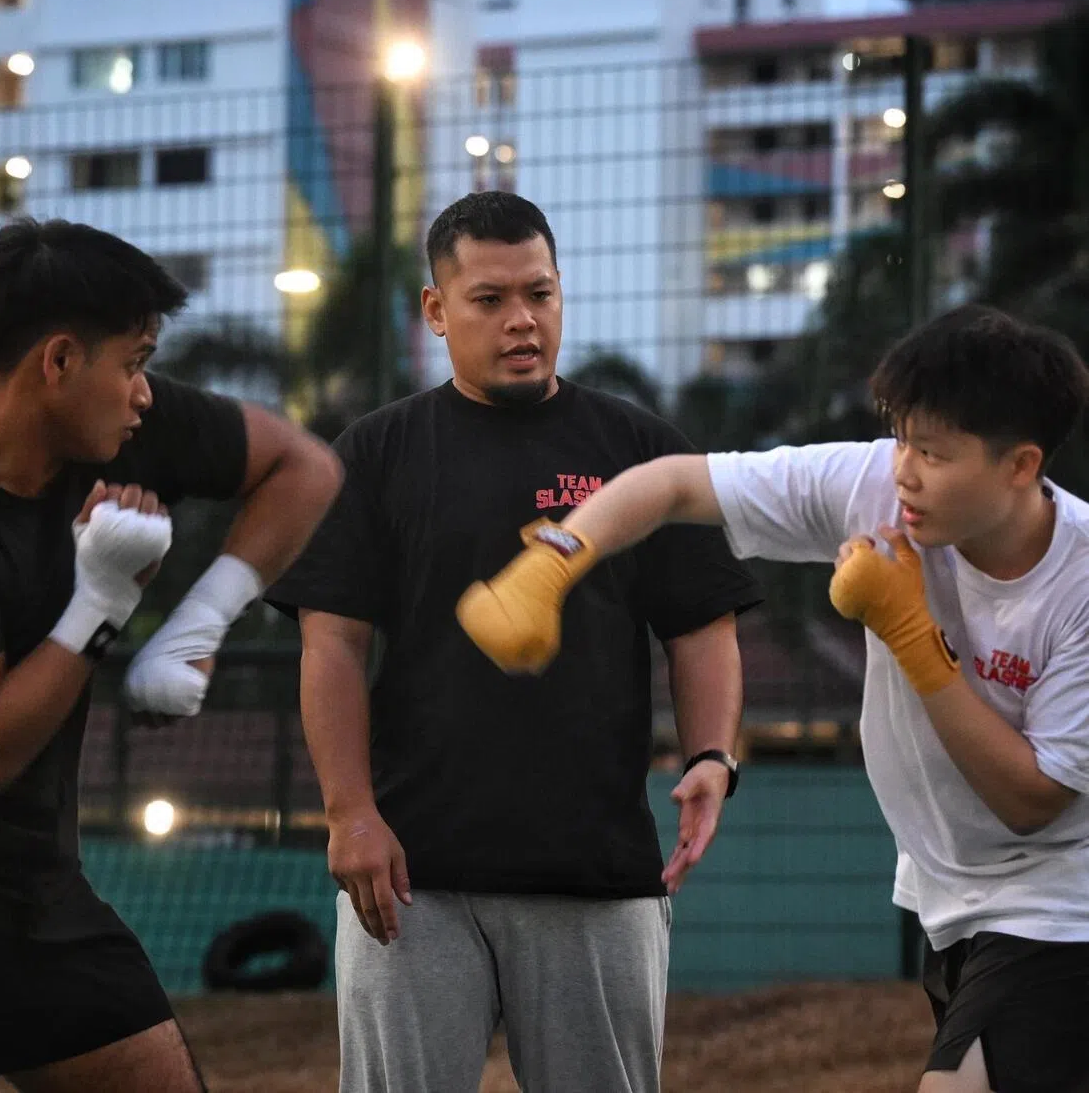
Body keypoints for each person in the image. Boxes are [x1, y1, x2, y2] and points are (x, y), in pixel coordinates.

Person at [458, 303, 1089, 1093]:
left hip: (1061, 902)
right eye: (903, 440)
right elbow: (675, 484)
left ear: (1021, 465)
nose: (905, 471)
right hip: (952, 900)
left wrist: (910, 632)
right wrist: (556, 558)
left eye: (934, 452)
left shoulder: (1082, 583)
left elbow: (1031, 800)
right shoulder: (873, 485)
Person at [265, 190, 762, 1093]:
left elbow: (703, 627)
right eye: (490, 299)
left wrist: (713, 755)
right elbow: (329, 645)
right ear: (436, 310)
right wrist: (349, 813)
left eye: (539, 293)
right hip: (411, 875)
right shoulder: (377, 453)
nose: (522, 320)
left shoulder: (640, 450)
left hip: (596, 869)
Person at [0, 218, 342, 1091]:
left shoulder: (125, 428)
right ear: (59, 363)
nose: (143, 393)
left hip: (30, 886)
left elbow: (304, 468)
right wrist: (106, 604)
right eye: (130, 363)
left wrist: (197, 625)